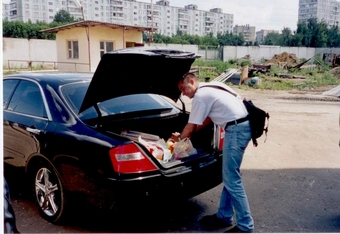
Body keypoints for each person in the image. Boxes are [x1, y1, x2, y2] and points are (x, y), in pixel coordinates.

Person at [170, 72, 254, 233]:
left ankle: (245, 226)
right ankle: (224, 216)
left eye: (183, 88)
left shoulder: (200, 96)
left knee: (232, 179)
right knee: (230, 176)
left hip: (236, 130)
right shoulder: (211, 87)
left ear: (192, 81)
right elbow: (203, 121)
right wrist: (188, 134)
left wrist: (178, 139)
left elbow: (191, 126)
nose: (183, 93)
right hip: (242, 126)